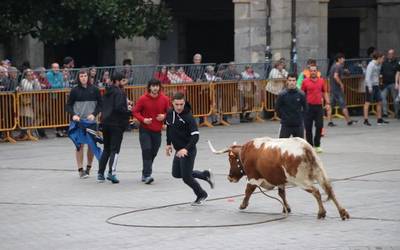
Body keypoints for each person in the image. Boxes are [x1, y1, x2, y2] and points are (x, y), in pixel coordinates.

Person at [165, 92, 215, 205]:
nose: (179, 107)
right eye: (176, 104)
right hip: (178, 150)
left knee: (186, 177)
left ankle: (201, 194)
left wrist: (186, 149)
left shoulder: (188, 117)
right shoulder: (169, 113)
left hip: (188, 150)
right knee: (176, 174)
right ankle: (204, 175)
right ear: (172, 103)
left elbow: (195, 136)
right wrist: (168, 144)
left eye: (181, 104)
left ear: (184, 102)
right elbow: (169, 128)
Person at [66, 69, 102, 178]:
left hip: (91, 122)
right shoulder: (74, 91)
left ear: (88, 77)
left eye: (85, 76)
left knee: (91, 145)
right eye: (81, 76)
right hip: (79, 122)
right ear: (78, 78)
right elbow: (68, 106)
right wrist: (73, 115)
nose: (83, 78)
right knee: (79, 145)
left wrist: (94, 114)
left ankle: (89, 168)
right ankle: (80, 169)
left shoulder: (95, 90)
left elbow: (101, 104)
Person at [133, 79, 170, 184]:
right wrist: (143, 119)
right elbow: (135, 111)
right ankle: (147, 175)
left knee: (153, 152)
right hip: (145, 129)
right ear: (149, 87)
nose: (155, 88)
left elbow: (170, 112)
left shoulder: (165, 99)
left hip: (157, 130)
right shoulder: (143, 99)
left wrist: (164, 116)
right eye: (153, 86)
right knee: (147, 150)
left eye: (157, 86)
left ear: (159, 87)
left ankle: (145, 172)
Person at [98, 71, 132, 184]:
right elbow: (119, 108)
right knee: (115, 150)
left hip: (106, 123)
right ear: (117, 81)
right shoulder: (120, 92)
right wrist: (128, 111)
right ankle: (112, 173)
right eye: (123, 80)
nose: (125, 82)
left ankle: (100, 173)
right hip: (116, 124)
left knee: (106, 148)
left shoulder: (107, 91)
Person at [301, 65, 330, 153]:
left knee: (319, 126)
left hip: (318, 107)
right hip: (308, 107)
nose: (313, 72)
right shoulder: (305, 82)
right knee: (308, 127)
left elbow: (325, 92)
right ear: (309, 72)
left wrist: (328, 103)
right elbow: (302, 94)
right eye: (311, 71)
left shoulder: (321, 81)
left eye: (314, 71)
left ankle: (317, 144)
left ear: (317, 72)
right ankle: (310, 146)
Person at [326, 53, 357, 126]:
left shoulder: (333, 66)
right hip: (337, 89)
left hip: (332, 89)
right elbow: (335, 76)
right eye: (343, 58)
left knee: (330, 106)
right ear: (339, 59)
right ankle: (349, 121)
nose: (344, 59)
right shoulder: (338, 66)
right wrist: (341, 84)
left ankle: (330, 122)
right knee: (343, 105)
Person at [275, 74, 307, 138]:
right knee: (282, 145)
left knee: (299, 146)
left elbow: (306, 108)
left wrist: (300, 118)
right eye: (290, 80)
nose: (291, 82)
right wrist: (284, 117)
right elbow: (277, 108)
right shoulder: (282, 95)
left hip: (298, 125)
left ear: (296, 81)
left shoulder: (301, 94)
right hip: (285, 125)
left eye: (293, 80)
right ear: (287, 81)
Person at [363, 52, 389, 126]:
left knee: (379, 101)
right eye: (382, 58)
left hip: (376, 85)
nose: (383, 60)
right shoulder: (371, 65)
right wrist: (370, 87)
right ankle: (365, 120)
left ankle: (379, 119)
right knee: (367, 102)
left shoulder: (379, 64)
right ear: (379, 58)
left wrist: (379, 82)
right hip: (370, 85)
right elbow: (367, 77)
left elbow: (377, 74)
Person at [380, 49, 399, 118]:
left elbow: (398, 73)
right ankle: (385, 113)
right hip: (385, 84)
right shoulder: (384, 62)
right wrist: (381, 80)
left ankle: (397, 113)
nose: (390, 55)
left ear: (394, 54)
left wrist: (397, 83)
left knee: (395, 99)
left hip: (393, 83)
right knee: (382, 97)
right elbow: (381, 72)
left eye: (391, 54)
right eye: (389, 54)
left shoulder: (397, 62)